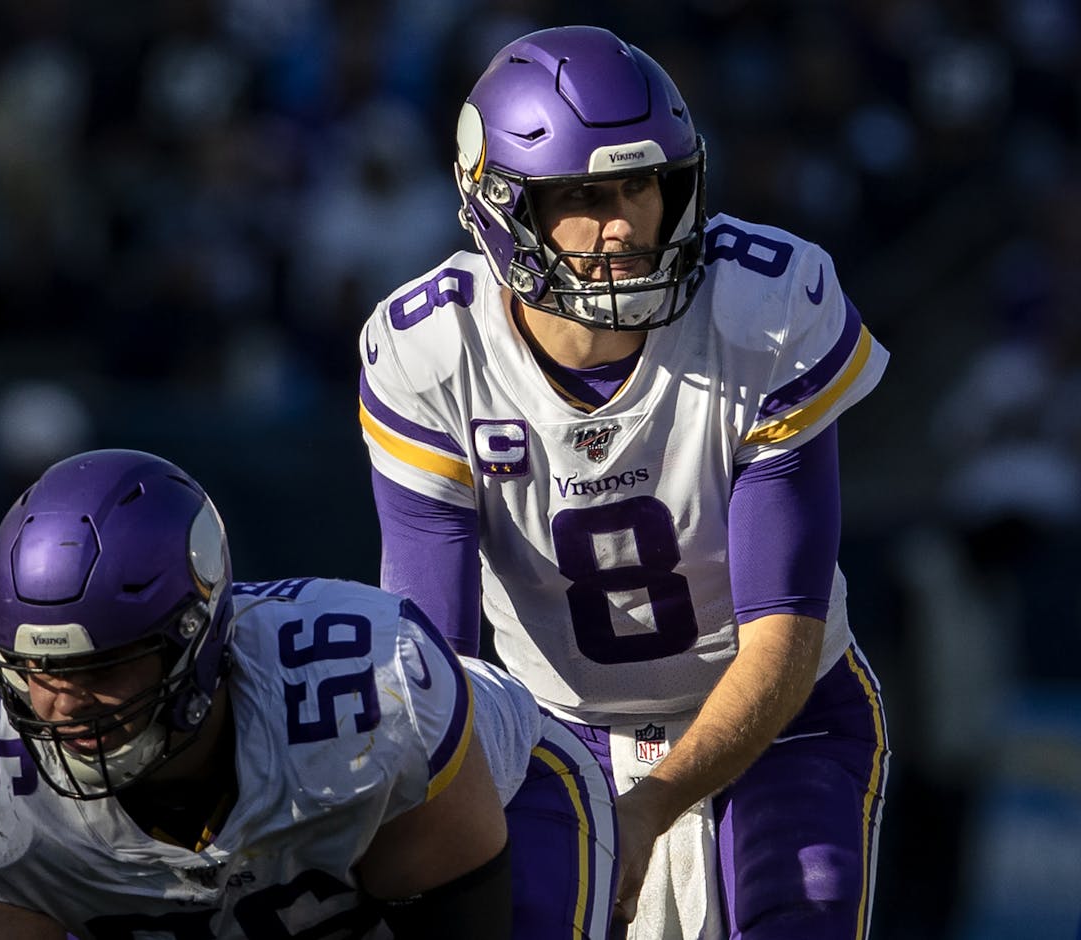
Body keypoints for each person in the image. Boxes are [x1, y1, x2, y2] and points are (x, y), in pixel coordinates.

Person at [357, 25, 890, 939]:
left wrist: (649, 809)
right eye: (581, 196)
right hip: (551, 737)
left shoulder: (760, 311)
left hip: (781, 720)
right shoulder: (432, 352)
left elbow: (783, 630)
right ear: (496, 205)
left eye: (641, 184)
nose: (623, 225)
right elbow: (431, 660)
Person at [0, 449, 616, 939]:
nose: (63, 703)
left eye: (105, 668)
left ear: (198, 639)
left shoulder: (366, 696)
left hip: (507, 807)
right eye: (39, 670)